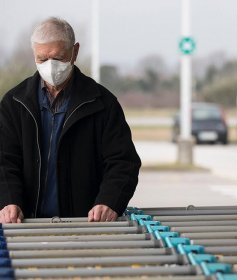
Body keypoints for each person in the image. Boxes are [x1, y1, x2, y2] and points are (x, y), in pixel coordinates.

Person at [0, 17, 141, 223]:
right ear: (34, 55)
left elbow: (123, 162)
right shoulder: (14, 103)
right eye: (42, 59)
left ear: (74, 51)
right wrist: (8, 200)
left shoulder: (102, 103)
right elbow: (3, 160)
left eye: (58, 58)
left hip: (86, 224)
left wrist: (110, 201)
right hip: (26, 223)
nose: (50, 66)